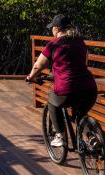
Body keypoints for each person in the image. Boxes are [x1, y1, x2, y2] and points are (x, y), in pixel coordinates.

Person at [26, 14, 98, 147]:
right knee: (80, 114)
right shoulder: (80, 42)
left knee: (52, 103)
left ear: (57, 29)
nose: (51, 30)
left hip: (67, 88)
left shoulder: (53, 44)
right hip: (90, 87)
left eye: (52, 28)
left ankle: (60, 136)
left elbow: (39, 65)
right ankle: (92, 137)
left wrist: (31, 77)